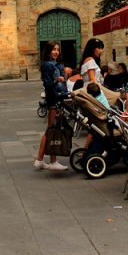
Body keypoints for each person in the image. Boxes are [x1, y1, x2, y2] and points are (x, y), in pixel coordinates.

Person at [34, 41, 70, 171]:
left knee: (50, 130)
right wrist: (57, 80)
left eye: (57, 50)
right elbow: (48, 85)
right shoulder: (48, 66)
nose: (56, 52)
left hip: (56, 99)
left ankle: (40, 160)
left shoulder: (54, 64)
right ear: (48, 51)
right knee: (51, 130)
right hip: (53, 100)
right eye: (54, 49)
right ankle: (52, 161)